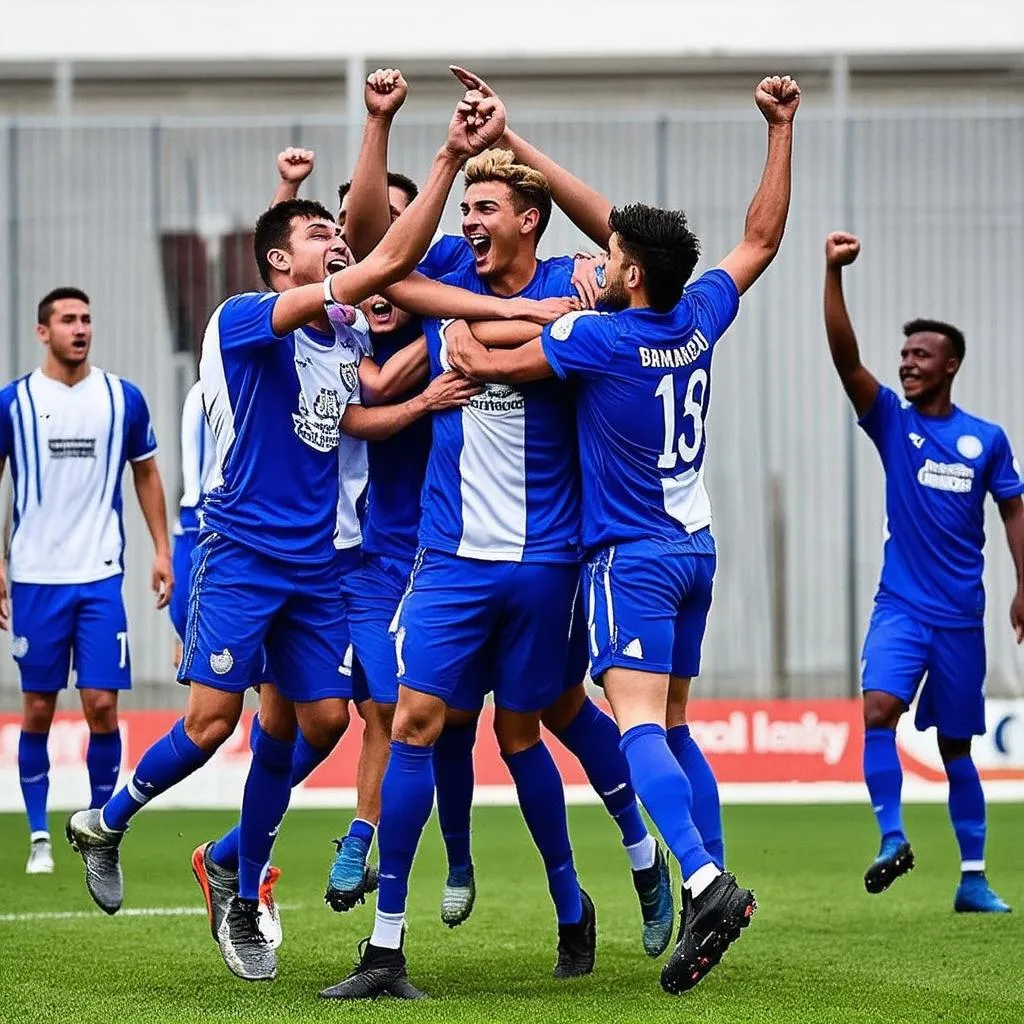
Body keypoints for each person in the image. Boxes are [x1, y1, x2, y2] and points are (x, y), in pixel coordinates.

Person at [65, 87, 508, 983]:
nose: (335, 245)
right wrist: (441, 158)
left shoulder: (339, 339)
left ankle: (236, 876)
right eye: (317, 237)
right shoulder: (240, 322)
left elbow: (354, 415)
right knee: (211, 721)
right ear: (277, 262)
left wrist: (418, 398)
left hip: (316, 567)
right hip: (239, 554)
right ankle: (106, 822)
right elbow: (386, 257)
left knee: (318, 719)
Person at [440, 73, 800, 994]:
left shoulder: (598, 340)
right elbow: (760, 237)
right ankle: (705, 895)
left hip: (629, 557)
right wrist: (781, 131)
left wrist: (475, 340)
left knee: (634, 721)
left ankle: (708, 882)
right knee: (678, 724)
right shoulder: (700, 313)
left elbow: (493, 363)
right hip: (696, 550)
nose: (595, 257)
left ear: (628, 274)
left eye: (608, 254)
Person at [326, 67, 669, 961]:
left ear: (528, 218)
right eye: (465, 208)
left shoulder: (585, 275)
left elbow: (627, 242)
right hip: (448, 559)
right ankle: (386, 948)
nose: (467, 223)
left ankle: (621, 869)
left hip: (548, 559)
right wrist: (399, 132)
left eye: (484, 208)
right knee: (413, 722)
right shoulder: (445, 267)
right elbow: (369, 242)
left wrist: (511, 146)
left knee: (537, 722)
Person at [823, 230, 1024, 913]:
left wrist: (1023, 588)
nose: (906, 363)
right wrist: (833, 276)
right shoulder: (891, 423)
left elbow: (1014, 512)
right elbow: (846, 358)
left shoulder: (986, 440)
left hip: (962, 617)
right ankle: (890, 838)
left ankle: (973, 877)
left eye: (920, 355)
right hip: (900, 607)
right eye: (904, 354)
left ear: (951, 365)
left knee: (958, 746)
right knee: (878, 709)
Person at [0, 287, 171, 877]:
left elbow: (146, 473)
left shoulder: (122, 399)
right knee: (40, 709)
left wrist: (162, 550)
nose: (81, 328)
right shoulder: (14, 403)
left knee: (101, 704)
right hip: (35, 578)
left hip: (100, 577)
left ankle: (100, 831)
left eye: (87, 319)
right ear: (42, 332)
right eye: (68, 320)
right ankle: (41, 837)